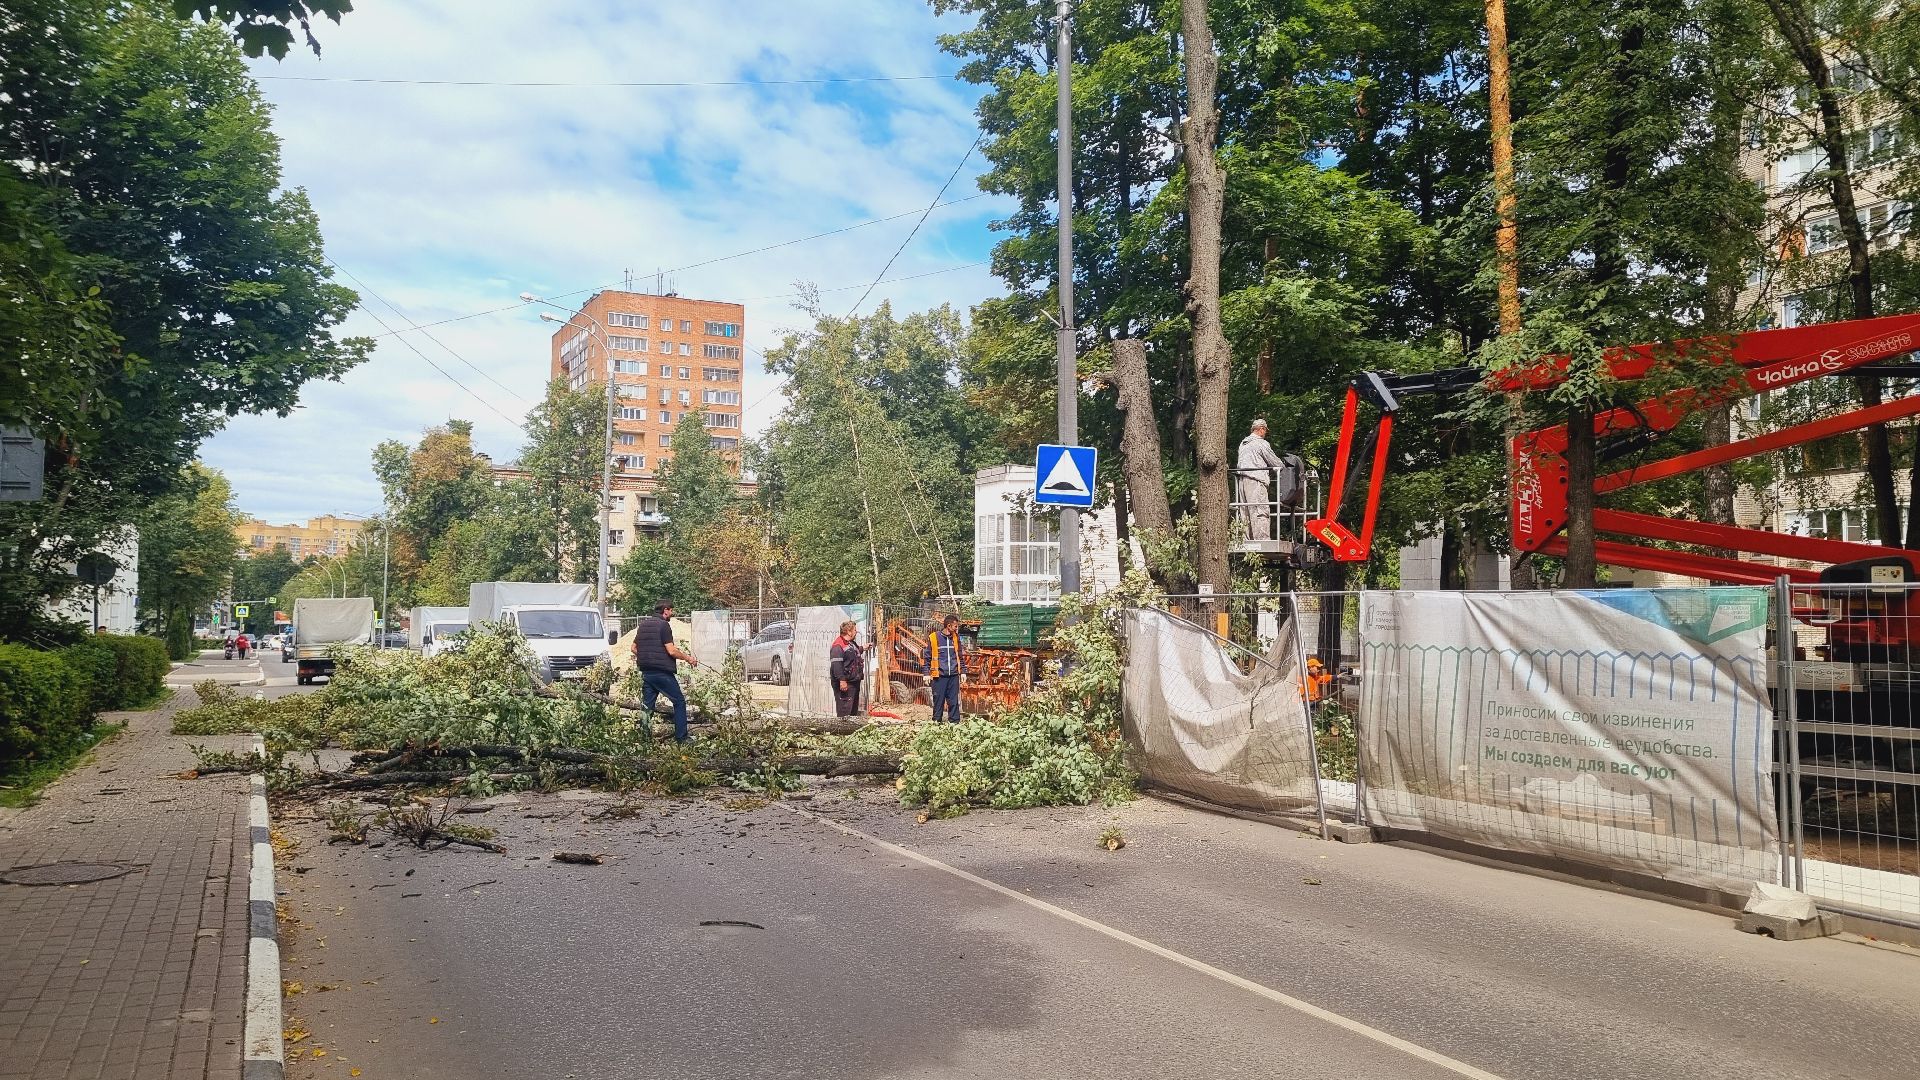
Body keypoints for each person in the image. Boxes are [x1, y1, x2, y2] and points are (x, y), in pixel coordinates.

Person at [632, 600, 698, 741]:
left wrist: (646, 657)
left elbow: (633, 648)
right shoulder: (664, 625)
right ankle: (682, 738)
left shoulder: (643, 625)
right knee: (679, 702)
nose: (672, 613)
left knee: (647, 706)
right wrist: (688, 658)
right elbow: (672, 651)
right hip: (662, 673)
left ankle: (644, 739)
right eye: (671, 610)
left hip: (646, 672)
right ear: (665, 610)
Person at [1236, 418, 1304, 541]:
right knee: (1260, 510)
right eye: (1265, 431)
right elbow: (1275, 462)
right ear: (1261, 429)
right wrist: (1286, 469)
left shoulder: (1243, 444)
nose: (1265, 433)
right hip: (1256, 480)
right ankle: (1262, 541)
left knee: (1244, 511)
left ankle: (1245, 540)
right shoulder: (1261, 443)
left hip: (1242, 481)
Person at [927, 615, 964, 724]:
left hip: (953, 676)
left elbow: (960, 656)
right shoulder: (934, 638)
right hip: (939, 677)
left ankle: (954, 724)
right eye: (955, 626)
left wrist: (963, 672)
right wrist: (926, 673)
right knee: (938, 701)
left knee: (953, 702)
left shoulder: (956, 638)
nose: (956, 629)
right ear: (948, 626)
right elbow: (927, 657)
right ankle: (936, 723)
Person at [829, 620, 864, 718]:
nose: (856, 632)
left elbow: (852, 653)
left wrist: (862, 648)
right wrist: (842, 681)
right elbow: (837, 665)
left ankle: (851, 732)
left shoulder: (850, 643)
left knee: (853, 711)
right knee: (845, 711)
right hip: (845, 683)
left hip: (853, 682)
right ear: (849, 631)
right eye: (855, 630)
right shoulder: (838, 646)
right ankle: (842, 732)